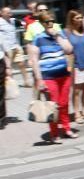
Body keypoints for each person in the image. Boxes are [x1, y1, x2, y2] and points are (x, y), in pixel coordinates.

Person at [28, 12, 76, 143]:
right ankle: (54, 133)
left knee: (64, 103)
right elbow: (34, 60)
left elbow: (69, 50)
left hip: (64, 75)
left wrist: (58, 37)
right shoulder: (38, 38)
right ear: (43, 24)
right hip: (49, 77)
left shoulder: (59, 35)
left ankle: (66, 128)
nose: (50, 24)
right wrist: (39, 79)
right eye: (47, 22)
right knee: (53, 105)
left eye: (52, 21)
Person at [64, 10, 84, 124]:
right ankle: (77, 113)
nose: (80, 20)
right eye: (77, 18)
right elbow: (66, 50)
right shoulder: (67, 33)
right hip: (76, 66)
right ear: (72, 19)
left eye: (81, 17)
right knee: (76, 91)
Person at [0, 7, 29, 86]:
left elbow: (23, 23)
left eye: (10, 12)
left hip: (16, 45)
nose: (10, 14)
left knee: (22, 63)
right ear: (2, 13)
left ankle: (26, 81)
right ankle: (11, 84)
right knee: (8, 67)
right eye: (8, 13)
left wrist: (23, 25)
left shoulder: (13, 20)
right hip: (6, 48)